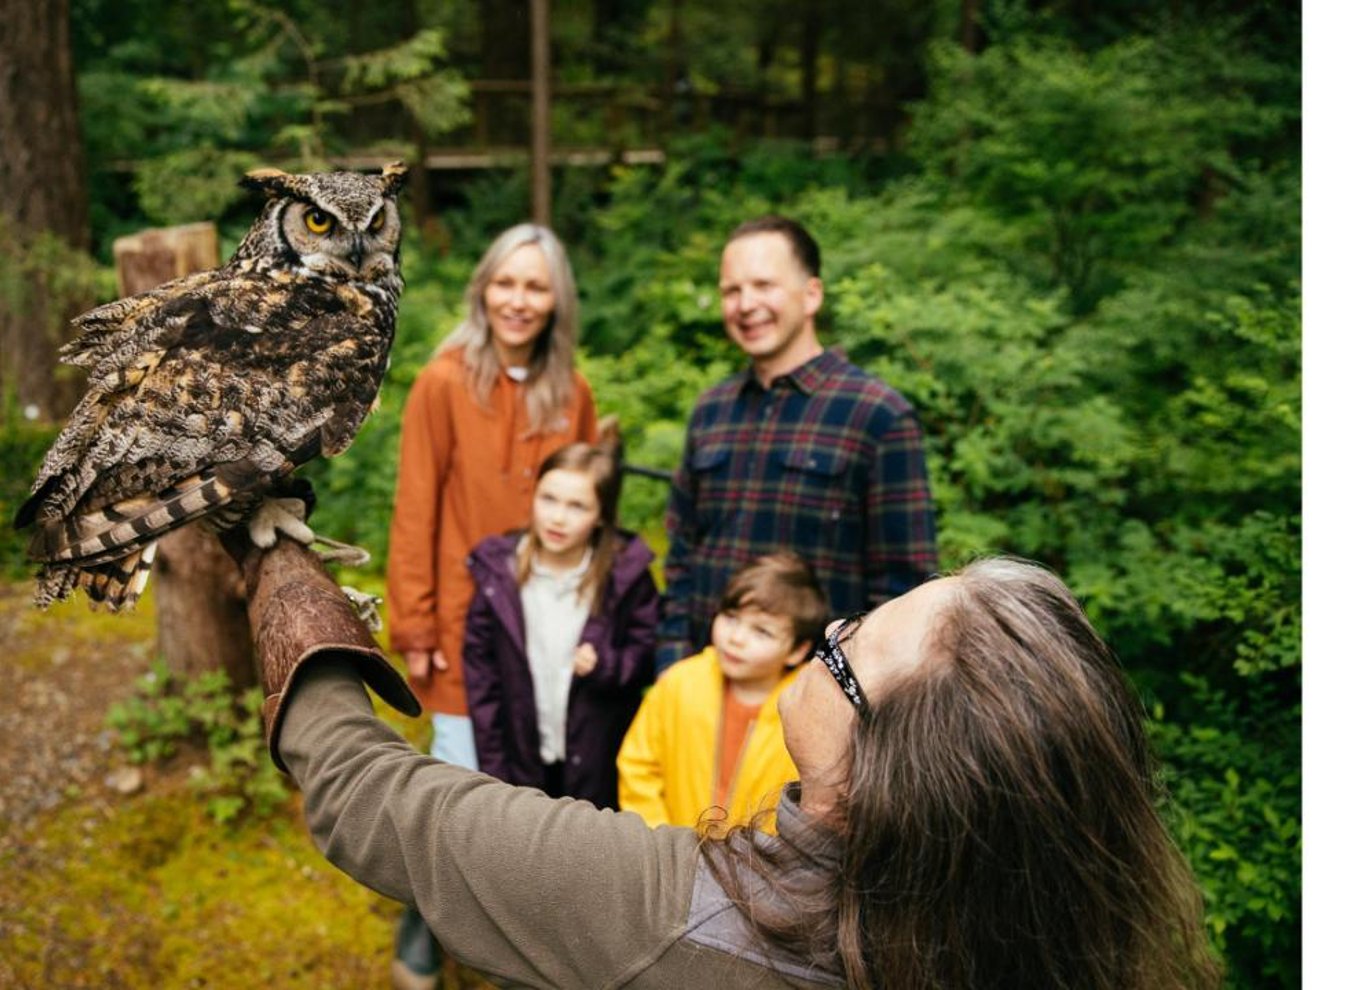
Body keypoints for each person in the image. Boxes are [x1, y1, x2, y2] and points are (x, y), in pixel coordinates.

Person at [243, 537, 1221, 990]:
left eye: (844, 650)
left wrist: (283, 578)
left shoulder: (671, 918)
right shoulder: (1051, 948)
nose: (830, 626)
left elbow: (375, 798)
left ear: (885, 778)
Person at [384, 223, 597, 988]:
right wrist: (412, 623)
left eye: (535, 286)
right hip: (458, 629)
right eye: (505, 282)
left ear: (555, 300)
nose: (518, 299)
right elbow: (415, 508)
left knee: (527, 795)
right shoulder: (443, 381)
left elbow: (586, 511)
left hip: (544, 629)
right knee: (457, 793)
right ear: (483, 288)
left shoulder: (570, 392)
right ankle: (420, 934)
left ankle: (512, 953)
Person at [657, 215, 938, 671]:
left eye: (764, 285)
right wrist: (671, 670)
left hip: (817, 709)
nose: (746, 304)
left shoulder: (877, 415)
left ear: (812, 294)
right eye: (732, 290)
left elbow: (903, 594)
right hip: (704, 701)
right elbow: (682, 558)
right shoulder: (712, 410)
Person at [463, 438, 658, 810]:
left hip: (597, 760)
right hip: (521, 756)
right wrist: (494, 771)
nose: (557, 518)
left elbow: (647, 652)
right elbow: (482, 681)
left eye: (577, 506)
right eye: (548, 499)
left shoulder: (624, 577)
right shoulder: (496, 575)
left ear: (601, 515)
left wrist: (606, 665)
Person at [616, 552, 825, 832]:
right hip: (672, 858)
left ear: (798, 650)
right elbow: (638, 766)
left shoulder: (810, 711)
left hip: (762, 869)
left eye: (761, 632)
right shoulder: (680, 683)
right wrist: (659, 843)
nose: (736, 638)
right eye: (731, 617)